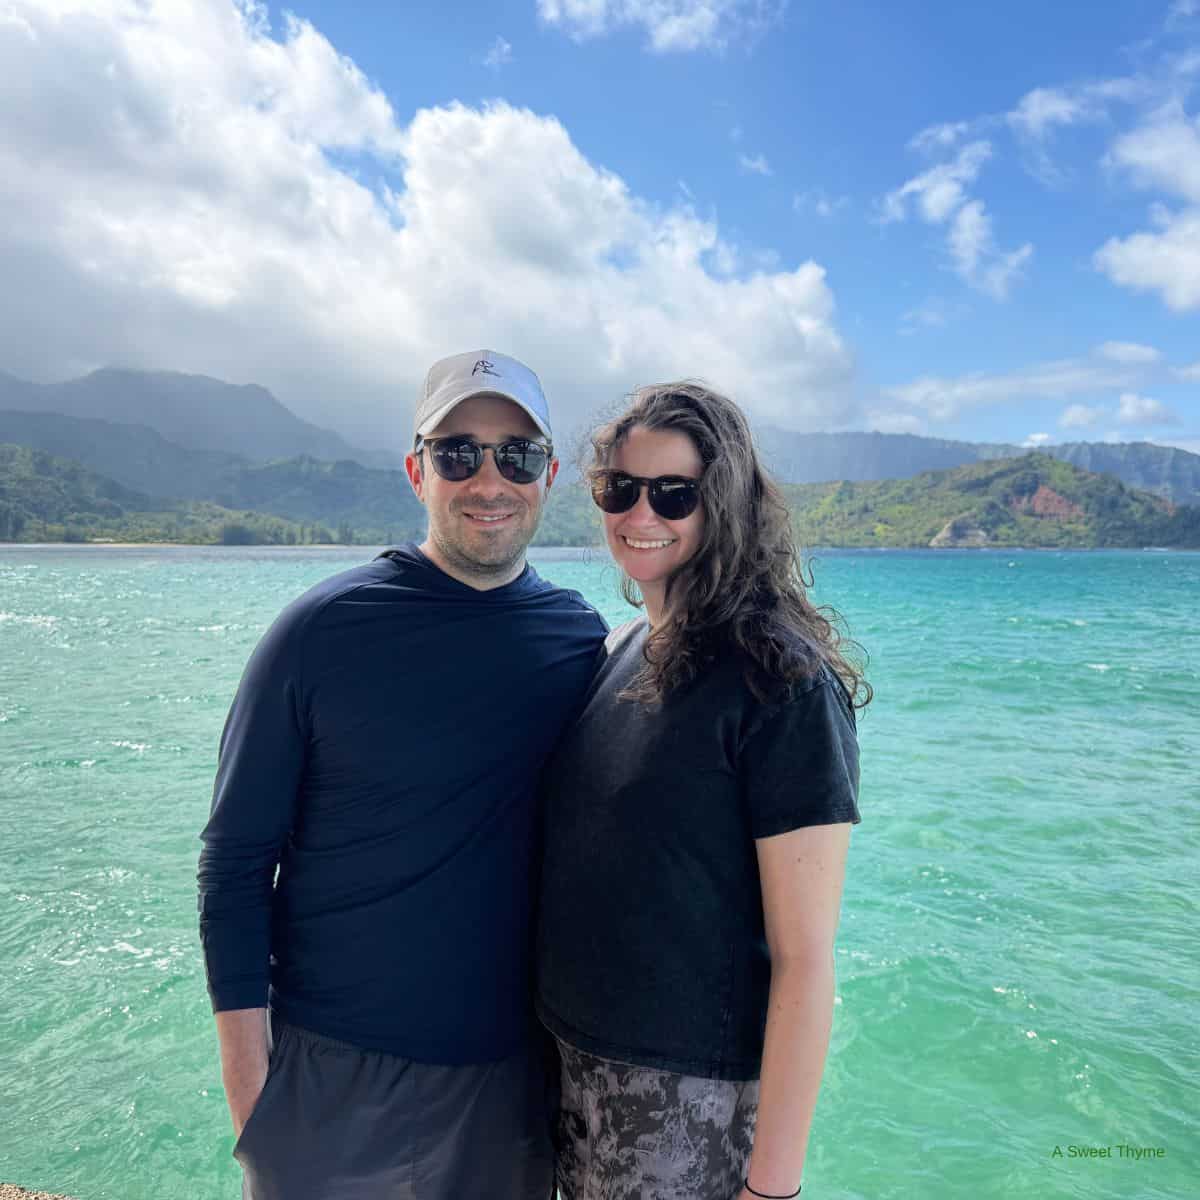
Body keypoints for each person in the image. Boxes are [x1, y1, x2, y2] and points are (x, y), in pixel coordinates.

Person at [197, 350, 607, 1200]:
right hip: (331, 1078)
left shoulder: (579, 640)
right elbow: (234, 867)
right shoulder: (318, 634)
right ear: (418, 471)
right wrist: (253, 1101)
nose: (488, 480)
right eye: (458, 453)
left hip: (510, 1087)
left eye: (516, 455)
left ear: (549, 475)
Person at [536, 382, 868, 1200]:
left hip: (686, 1100)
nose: (640, 514)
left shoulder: (781, 682)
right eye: (620, 488)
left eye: (673, 494)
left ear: (724, 505)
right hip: (567, 1067)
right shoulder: (620, 650)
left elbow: (805, 960)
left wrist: (772, 1187)